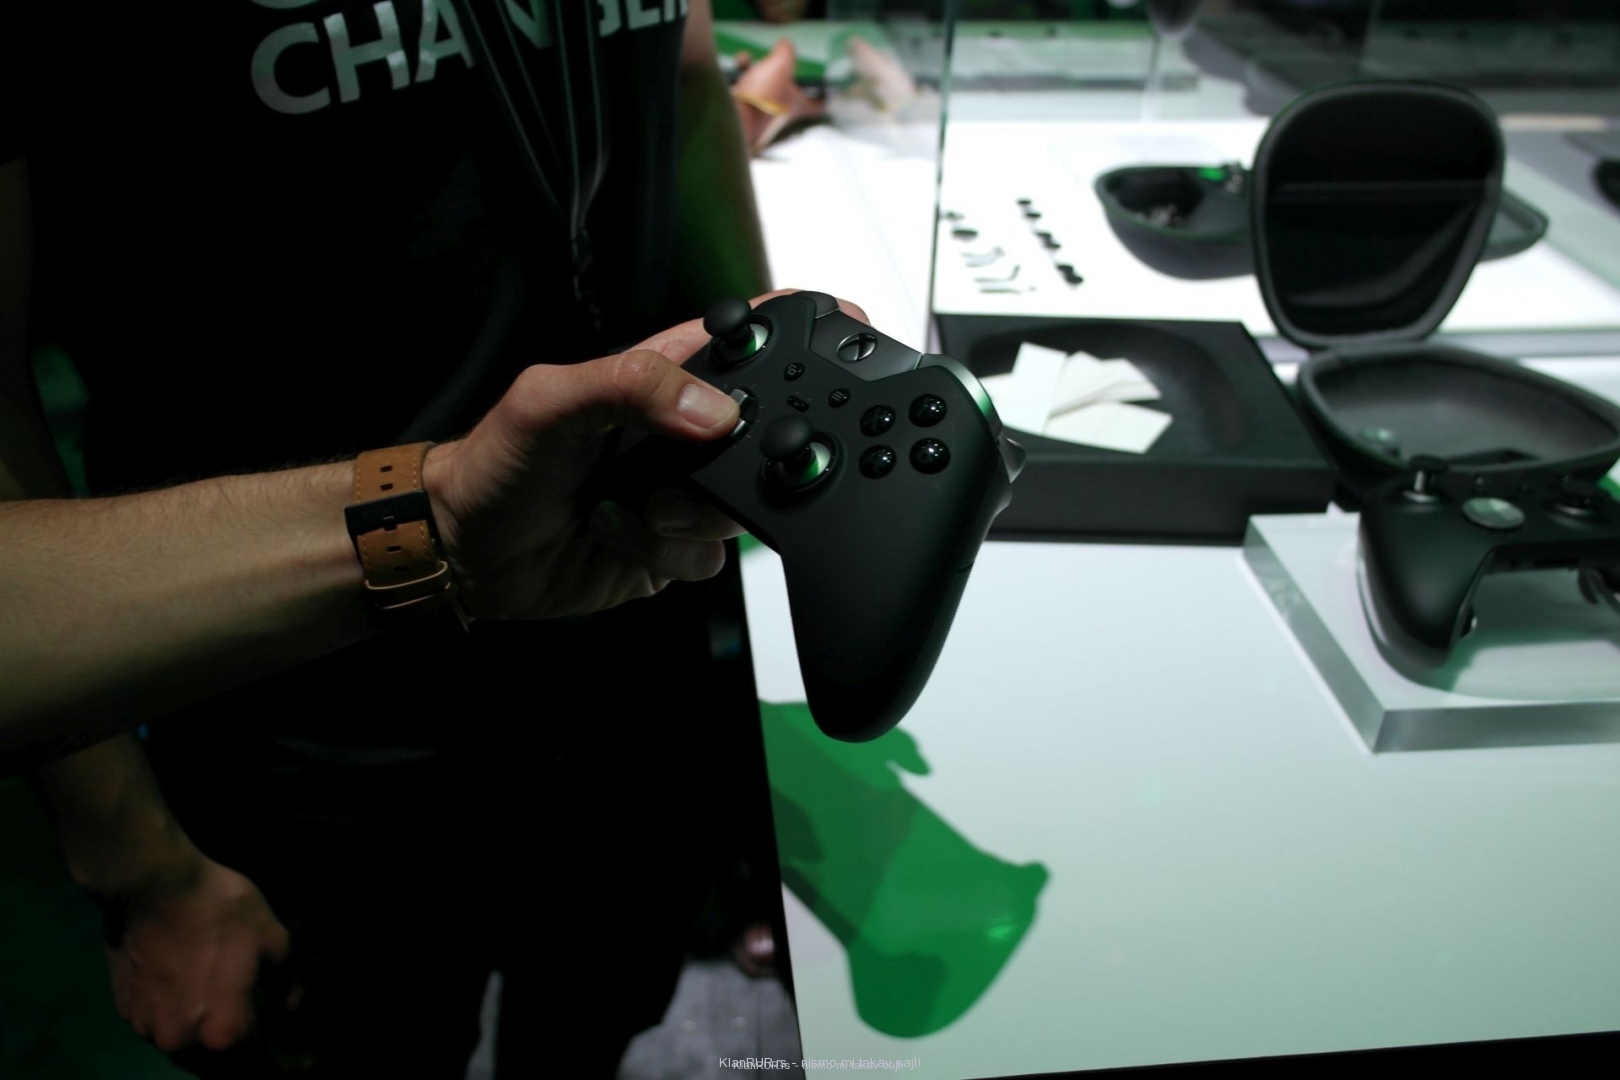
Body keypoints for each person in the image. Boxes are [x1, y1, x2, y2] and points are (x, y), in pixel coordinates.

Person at [0, 2, 815, 1075]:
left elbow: (685, 68)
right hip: (314, 706)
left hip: (630, 627)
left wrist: (765, 404)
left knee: (597, 1010)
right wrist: (134, 858)